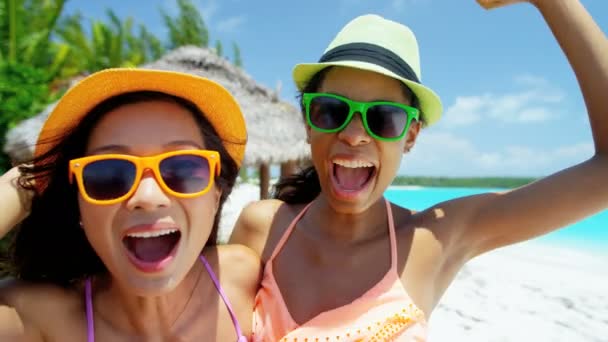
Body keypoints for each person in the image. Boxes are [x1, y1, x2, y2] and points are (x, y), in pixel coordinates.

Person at [229, 0, 608, 340]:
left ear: (410, 135)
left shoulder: (435, 240)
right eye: (332, 110)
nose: (354, 134)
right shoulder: (263, 229)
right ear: (310, 121)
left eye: (383, 118)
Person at [0, 68, 260, 341]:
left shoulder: (241, 276)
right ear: (78, 205)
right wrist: (26, 181)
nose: (148, 198)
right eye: (107, 175)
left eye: (182, 170)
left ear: (216, 195)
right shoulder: (40, 319)